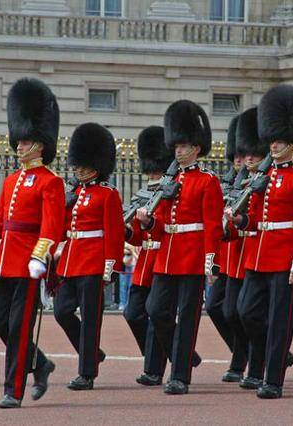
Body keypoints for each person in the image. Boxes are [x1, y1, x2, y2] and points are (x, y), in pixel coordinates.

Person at [0, 78, 64, 408]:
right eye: (18, 141)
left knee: (20, 327)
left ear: (40, 144)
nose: (19, 146)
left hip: (28, 263)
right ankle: (41, 363)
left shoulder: (51, 182)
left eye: (26, 141)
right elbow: (1, 224)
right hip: (5, 260)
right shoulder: (10, 181)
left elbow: (52, 226)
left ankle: (13, 389)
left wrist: (40, 257)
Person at [226, 85, 293, 399]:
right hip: (257, 254)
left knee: (280, 320)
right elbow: (252, 217)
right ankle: (270, 356)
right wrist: (239, 221)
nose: (274, 146)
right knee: (245, 311)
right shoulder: (261, 178)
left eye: (280, 141)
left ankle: (273, 380)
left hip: (283, 257)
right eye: (273, 140)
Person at [137, 100, 224, 395]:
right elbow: (161, 222)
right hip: (167, 253)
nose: (178, 150)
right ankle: (186, 357)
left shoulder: (207, 181)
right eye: (176, 146)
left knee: (187, 317)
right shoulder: (168, 180)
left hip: (192, 255)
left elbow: (213, 226)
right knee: (156, 310)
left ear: (197, 148)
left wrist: (211, 261)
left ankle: (180, 376)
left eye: (184, 146)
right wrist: (148, 223)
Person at [54, 122, 125, 391]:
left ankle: (87, 372)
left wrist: (110, 267)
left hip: (94, 262)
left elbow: (114, 233)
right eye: (77, 166)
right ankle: (93, 353)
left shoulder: (108, 194)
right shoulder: (74, 194)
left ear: (96, 167)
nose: (78, 171)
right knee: (61, 311)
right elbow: (62, 228)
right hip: (71, 261)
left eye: (83, 167)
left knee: (91, 318)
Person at [124, 125, 173, 386]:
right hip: (144, 262)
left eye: (157, 168)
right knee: (133, 313)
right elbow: (138, 237)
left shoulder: (170, 193)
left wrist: (150, 223)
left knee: (156, 314)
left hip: (164, 259)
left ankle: (153, 369)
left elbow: (168, 227)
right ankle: (177, 351)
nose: (153, 173)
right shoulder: (143, 194)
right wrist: (127, 232)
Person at [206, 113, 247, 383]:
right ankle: (245, 352)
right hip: (229, 256)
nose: (240, 161)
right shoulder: (224, 184)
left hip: (252, 253)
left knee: (238, 311)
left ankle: (242, 359)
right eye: (237, 156)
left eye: (245, 156)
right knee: (215, 307)